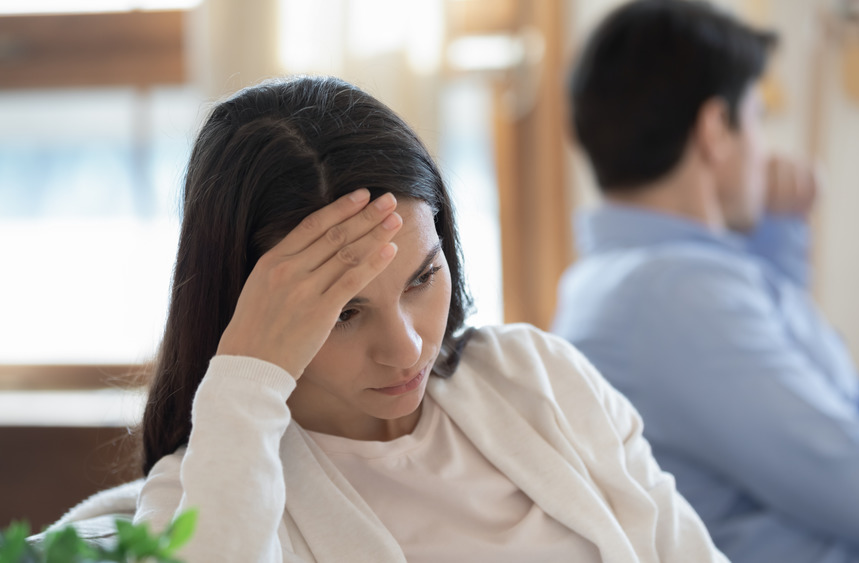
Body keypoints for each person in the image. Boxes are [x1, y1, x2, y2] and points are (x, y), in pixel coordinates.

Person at [100, 75, 731, 562]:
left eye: (422, 278)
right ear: (252, 313)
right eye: (344, 312)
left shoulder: (539, 377)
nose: (405, 351)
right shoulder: (201, 492)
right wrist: (243, 382)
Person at [550, 1, 859, 562]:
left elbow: (794, 374)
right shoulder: (675, 299)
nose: (766, 148)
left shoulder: (628, 279)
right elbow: (854, 476)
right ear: (715, 130)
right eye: (759, 117)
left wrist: (775, 233)